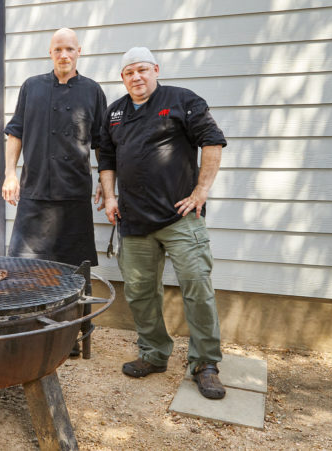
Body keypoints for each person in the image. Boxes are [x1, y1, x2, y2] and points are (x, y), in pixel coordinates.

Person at [98, 47, 228, 399]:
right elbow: (106, 158)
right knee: (140, 293)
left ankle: (206, 364)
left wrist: (201, 191)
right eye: (129, 73)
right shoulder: (115, 113)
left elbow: (212, 141)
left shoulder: (183, 100)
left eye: (142, 70)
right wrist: (110, 197)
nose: (136, 77)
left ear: (155, 69)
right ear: (122, 77)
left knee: (197, 287)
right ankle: (154, 354)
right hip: (134, 220)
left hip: (181, 218)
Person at [2, 28, 107, 355]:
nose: (64, 55)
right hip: (34, 193)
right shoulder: (32, 87)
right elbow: (15, 133)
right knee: (22, 267)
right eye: (58, 49)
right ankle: (26, 333)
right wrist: (9, 173)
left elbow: (102, 142)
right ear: (50, 52)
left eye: (70, 49)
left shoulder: (92, 91)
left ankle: (72, 336)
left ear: (79, 52)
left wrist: (105, 180)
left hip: (74, 196)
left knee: (74, 272)